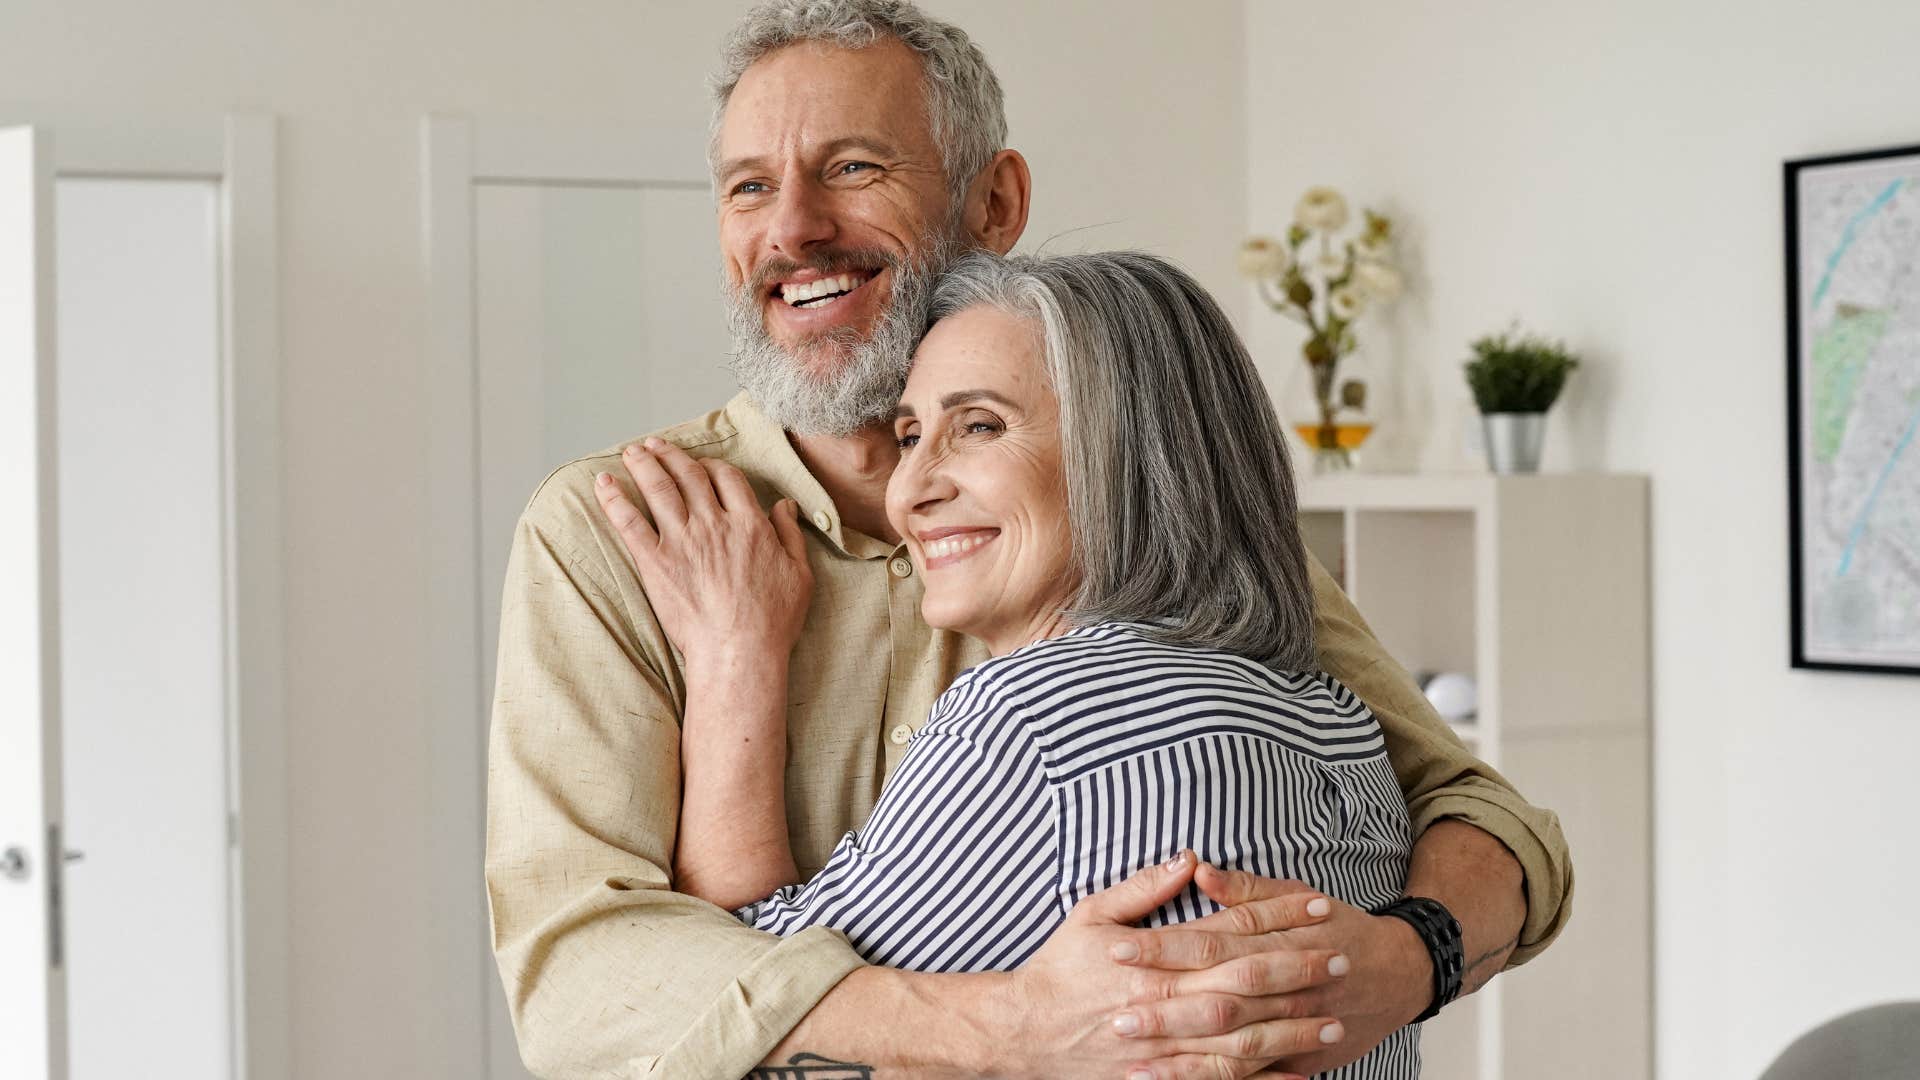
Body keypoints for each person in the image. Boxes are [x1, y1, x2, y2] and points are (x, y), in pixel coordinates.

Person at [484, 2, 1572, 1078]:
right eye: (749, 187)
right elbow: (578, 986)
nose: (792, 228)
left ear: (995, 199)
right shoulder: (610, 534)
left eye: (853, 168)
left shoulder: (1151, 532)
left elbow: (1483, 818)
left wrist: (1402, 960)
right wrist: (1009, 1028)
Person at [596, 249, 1425, 1080]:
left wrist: (732, 660)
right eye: (910, 435)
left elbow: (753, 1021)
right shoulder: (1340, 724)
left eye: (980, 426)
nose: (909, 489)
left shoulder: (1037, 718)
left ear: (1130, 453)